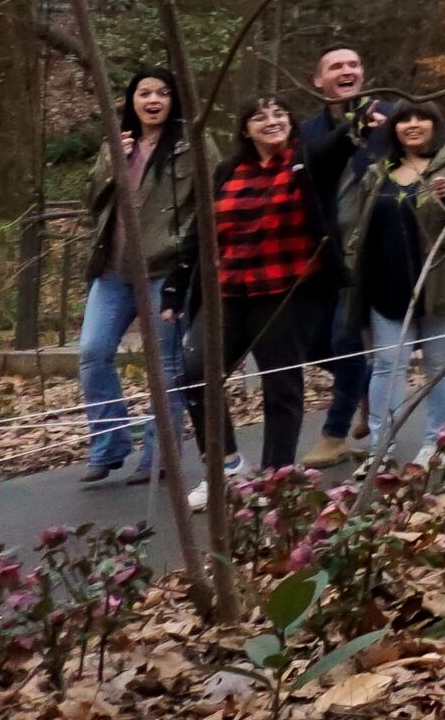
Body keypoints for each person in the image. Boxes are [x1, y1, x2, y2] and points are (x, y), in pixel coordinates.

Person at [155, 96, 346, 475]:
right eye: (260, 117)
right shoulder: (229, 170)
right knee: (196, 373)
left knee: (281, 384)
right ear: (245, 129)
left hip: (288, 290)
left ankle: (277, 476)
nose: (272, 121)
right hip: (230, 290)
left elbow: (342, 143)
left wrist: (360, 124)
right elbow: (201, 231)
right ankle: (225, 464)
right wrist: (175, 286)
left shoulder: (307, 161)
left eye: (279, 114)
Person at [340, 98, 445, 461]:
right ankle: (381, 447)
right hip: (386, 285)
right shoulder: (379, 171)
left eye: (421, 118)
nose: (412, 124)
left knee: (440, 366)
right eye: (403, 119)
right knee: (386, 366)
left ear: (436, 124)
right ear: (392, 128)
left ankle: (435, 444)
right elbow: (360, 228)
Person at [74, 69, 184, 484]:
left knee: (166, 366)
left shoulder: (191, 145)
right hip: (114, 271)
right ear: (131, 101)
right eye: (144, 93)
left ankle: (161, 457)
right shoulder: (116, 144)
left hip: (165, 269)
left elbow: (208, 201)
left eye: (162, 92)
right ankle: (109, 445)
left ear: (174, 100)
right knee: (92, 352)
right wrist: (110, 165)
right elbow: (92, 202)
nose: (153, 100)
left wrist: (188, 260)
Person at [295, 44, 385, 465]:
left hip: (371, 250)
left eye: (354, 64)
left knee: (344, 339)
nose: (346, 70)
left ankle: (333, 436)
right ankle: (366, 383)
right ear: (319, 80)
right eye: (335, 66)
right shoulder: (306, 132)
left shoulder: (392, 118)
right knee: (312, 343)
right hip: (323, 253)